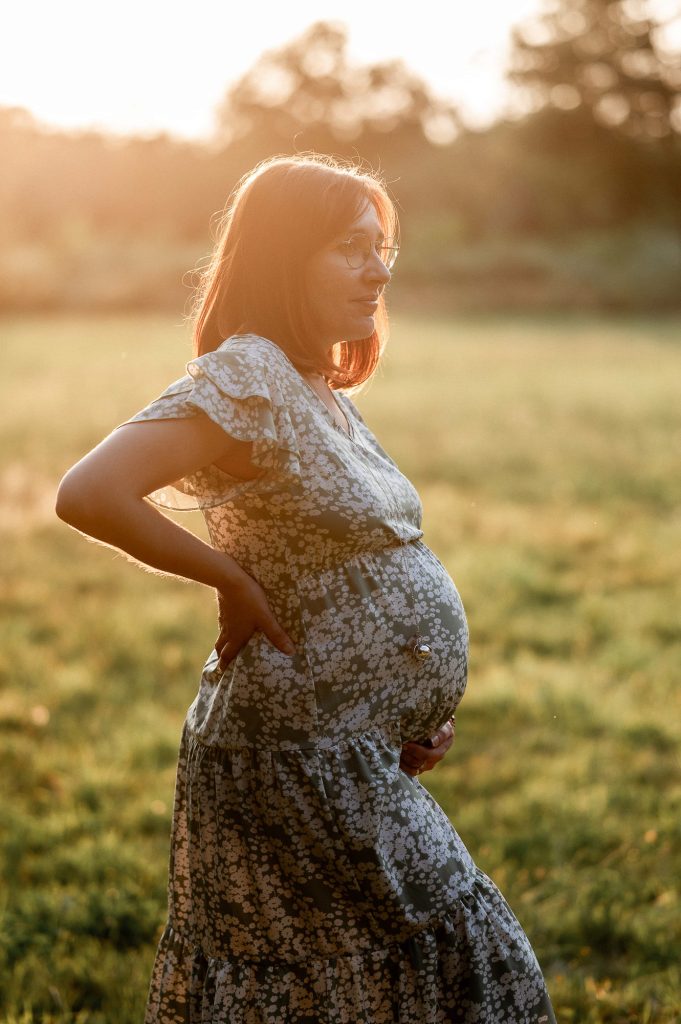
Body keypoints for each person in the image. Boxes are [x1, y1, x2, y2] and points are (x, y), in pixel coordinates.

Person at [56, 153, 556, 1023]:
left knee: (370, 982)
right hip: (288, 755)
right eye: (349, 247)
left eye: (382, 247)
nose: (378, 268)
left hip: (350, 745)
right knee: (442, 962)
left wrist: (404, 709)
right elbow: (90, 492)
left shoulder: (312, 381)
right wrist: (227, 576)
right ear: (285, 257)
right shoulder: (248, 372)